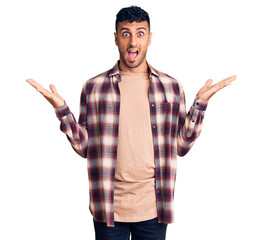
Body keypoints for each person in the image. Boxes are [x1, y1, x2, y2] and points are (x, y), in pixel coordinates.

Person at [26, 5, 236, 240]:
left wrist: (200, 104)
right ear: (116, 38)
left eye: (140, 33)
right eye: (125, 33)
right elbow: (85, 148)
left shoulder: (171, 87)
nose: (133, 42)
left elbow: (181, 147)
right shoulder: (94, 88)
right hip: (108, 208)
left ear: (150, 38)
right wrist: (61, 109)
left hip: (154, 208)